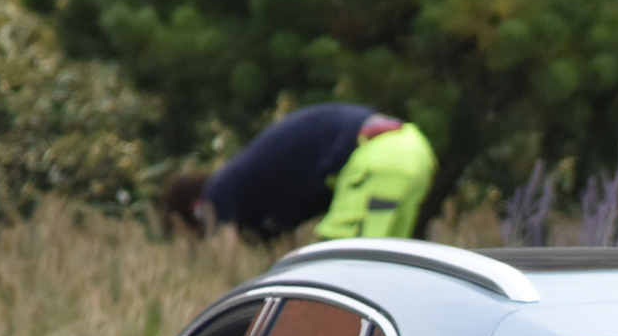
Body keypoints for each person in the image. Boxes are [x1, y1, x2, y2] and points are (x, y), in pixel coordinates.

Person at [159, 104, 436, 243]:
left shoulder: (219, 191)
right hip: (413, 147)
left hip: (378, 158)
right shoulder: (256, 195)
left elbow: (225, 255)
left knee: (343, 263)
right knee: (392, 267)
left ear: (196, 210)